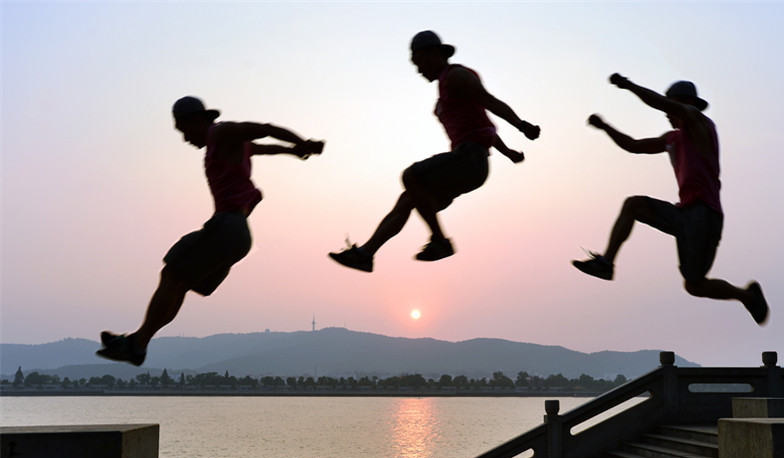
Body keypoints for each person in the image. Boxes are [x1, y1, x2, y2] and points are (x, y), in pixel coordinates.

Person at [97, 96, 324, 366]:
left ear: (195, 120)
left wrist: (302, 143)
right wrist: (294, 151)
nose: (185, 139)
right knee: (178, 283)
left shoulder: (221, 132)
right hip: (235, 234)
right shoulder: (224, 144)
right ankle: (137, 343)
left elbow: (266, 128)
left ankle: (136, 344)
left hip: (228, 226)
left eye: (183, 130)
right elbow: (263, 148)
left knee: (171, 273)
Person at [328, 30, 540, 272]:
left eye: (418, 61)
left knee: (411, 176)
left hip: (469, 159)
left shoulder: (456, 76)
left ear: (433, 53)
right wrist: (508, 152)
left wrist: (522, 125)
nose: (418, 69)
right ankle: (366, 254)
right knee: (408, 199)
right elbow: (482, 125)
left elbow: (488, 101)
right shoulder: (445, 87)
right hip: (470, 163)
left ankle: (440, 241)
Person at [573, 74, 769, 325]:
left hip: (704, 214)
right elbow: (633, 145)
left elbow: (660, 104)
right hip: (684, 213)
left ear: (686, 103)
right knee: (633, 205)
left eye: (671, 106)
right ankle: (606, 264)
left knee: (694, 285)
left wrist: (629, 85)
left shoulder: (700, 123)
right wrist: (605, 127)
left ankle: (746, 296)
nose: (667, 113)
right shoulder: (672, 139)